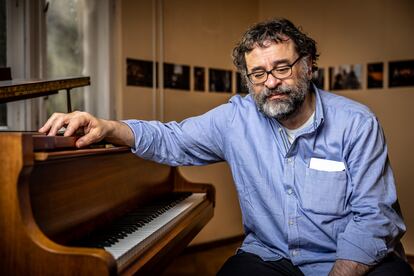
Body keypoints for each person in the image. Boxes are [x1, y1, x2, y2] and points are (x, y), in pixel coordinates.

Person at [39, 18, 413, 276]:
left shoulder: (356, 123)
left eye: (282, 68)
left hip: (352, 261)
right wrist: (108, 127)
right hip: (272, 257)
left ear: (309, 65)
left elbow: (374, 218)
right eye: (258, 74)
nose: (271, 82)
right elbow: (173, 138)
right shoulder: (236, 119)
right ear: (248, 79)